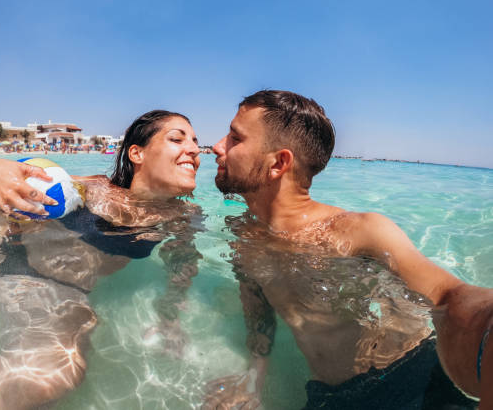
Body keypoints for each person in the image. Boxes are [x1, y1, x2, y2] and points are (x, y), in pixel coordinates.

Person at [0, 110, 203, 409]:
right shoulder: (92, 188)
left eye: (195, 142)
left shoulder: (184, 216)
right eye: (178, 139)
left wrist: (170, 319)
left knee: (53, 374)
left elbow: (184, 265)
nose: (193, 149)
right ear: (137, 153)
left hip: (47, 284)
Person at [202, 90, 492, 409]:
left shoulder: (358, 231)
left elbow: (446, 295)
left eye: (234, 138)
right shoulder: (243, 233)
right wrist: (253, 382)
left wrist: (486, 323)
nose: (217, 146)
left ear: (278, 163)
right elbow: (258, 313)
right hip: (330, 396)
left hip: (412, 382)